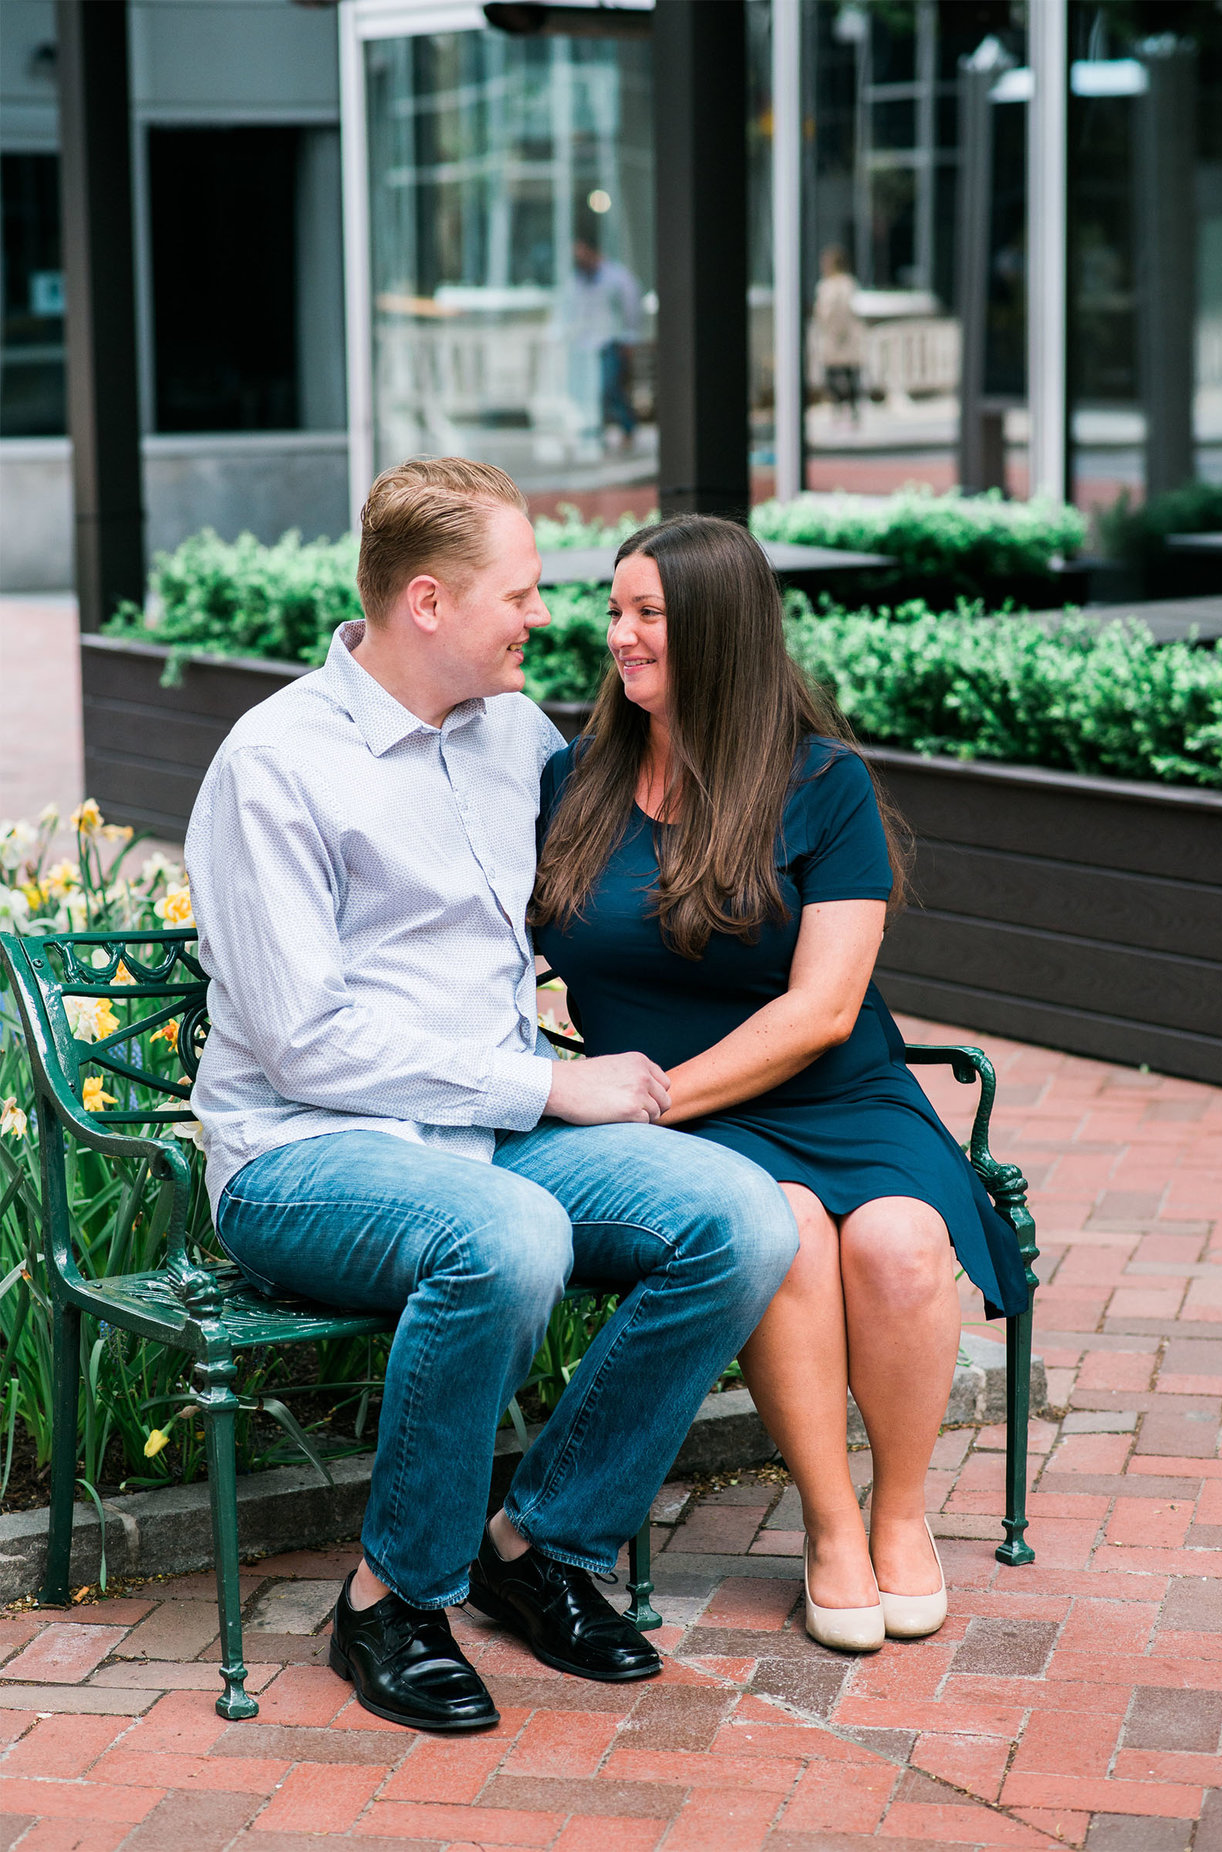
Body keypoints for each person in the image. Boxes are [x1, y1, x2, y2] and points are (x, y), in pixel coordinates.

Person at [187, 457, 803, 1735]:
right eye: (519, 594)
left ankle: (540, 1545)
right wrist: (543, 1079)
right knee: (508, 1237)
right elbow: (303, 1043)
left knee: (742, 1216)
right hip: (305, 1155)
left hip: (487, 1136)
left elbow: (642, 852)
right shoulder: (277, 766)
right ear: (427, 601)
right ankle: (391, 1599)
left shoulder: (514, 739)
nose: (544, 618)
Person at [530, 513, 1033, 1655]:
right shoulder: (577, 776)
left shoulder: (824, 783)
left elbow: (820, 1010)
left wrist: (657, 1097)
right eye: (615, 610)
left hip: (829, 1091)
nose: (619, 635)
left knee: (902, 1243)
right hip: (675, 1115)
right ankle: (830, 1526)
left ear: (717, 628)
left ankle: (901, 1513)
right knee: (790, 1231)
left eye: (647, 614)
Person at [564, 233, 642, 448]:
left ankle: (627, 426)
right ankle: (600, 429)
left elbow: (631, 309)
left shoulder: (616, 277)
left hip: (612, 341)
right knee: (592, 391)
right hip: (587, 344)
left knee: (610, 387)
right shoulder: (579, 279)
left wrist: (629, 339)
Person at [809, 245, 864, 424]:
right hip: (845, 336)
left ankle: (843, 410)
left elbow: (823, 312)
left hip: (838, 336)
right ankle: (846, 410)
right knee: (846, 374)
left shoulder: (829, 286)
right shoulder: (849, 283)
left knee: (839, 374)